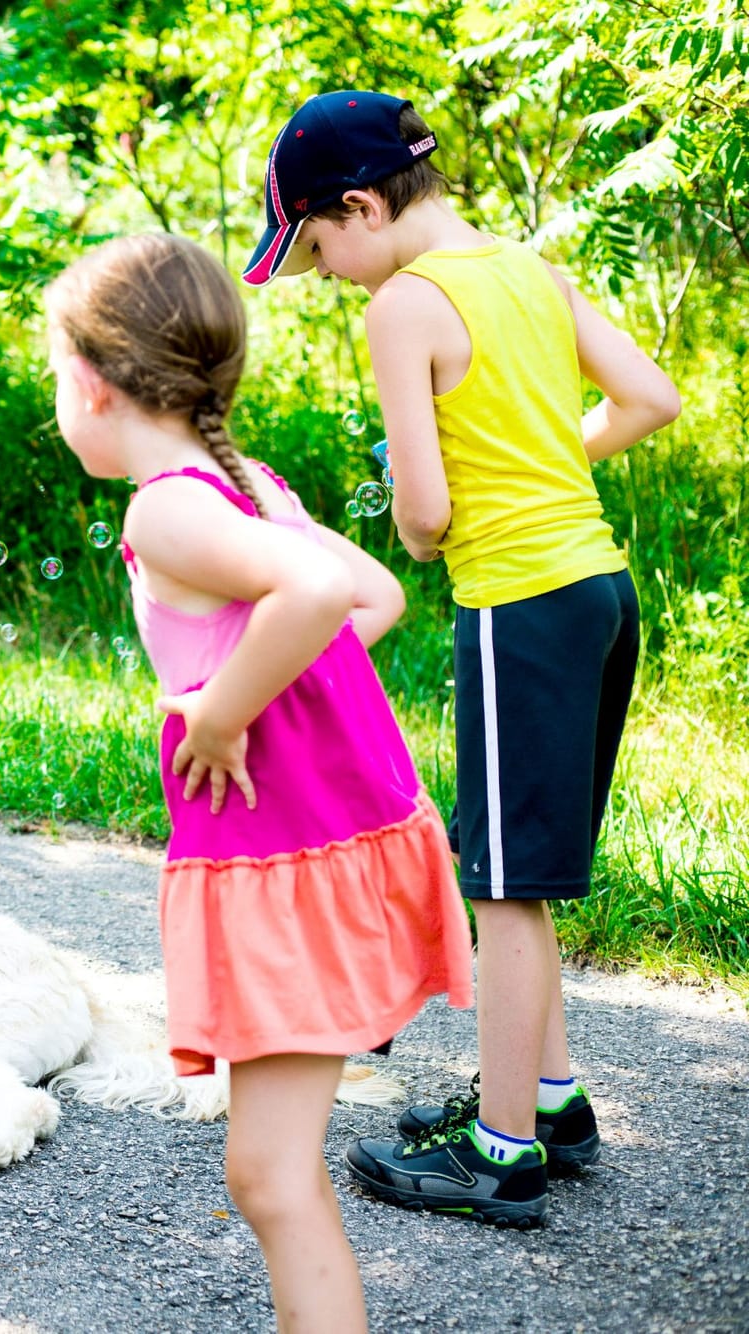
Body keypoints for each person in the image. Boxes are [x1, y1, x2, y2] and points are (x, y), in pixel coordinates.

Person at [242, 90, 680, 1225]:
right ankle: (552, 1102)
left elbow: (426, 518)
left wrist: (419, 521)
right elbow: (649, 398)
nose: (327, 274)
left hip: (517, 604)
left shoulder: (403, 304)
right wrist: (541, 465)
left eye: (317, 248)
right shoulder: (529, 269)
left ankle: (501, 1154)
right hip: (600, 593)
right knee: (520, 873)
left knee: (504, 886)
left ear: (359, 206)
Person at [46, 232, 474, 1330]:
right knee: (267, 1173)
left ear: (91, 382)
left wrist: (225, 707)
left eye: (55, 376)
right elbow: (373, 594)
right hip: (320, 850)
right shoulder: (249, 485)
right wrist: (275, 684)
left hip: (285, 870)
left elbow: (324, 597)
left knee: (273, 1179)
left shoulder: (166, 507)